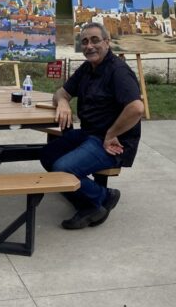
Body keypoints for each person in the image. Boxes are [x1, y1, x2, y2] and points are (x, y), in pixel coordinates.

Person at [40, 23, 144, 230]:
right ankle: (93, 196)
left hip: (113, 142)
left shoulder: (118, 71)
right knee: (47, 155)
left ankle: (100, 199)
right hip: (89, 133)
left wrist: (112, 133)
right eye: (85, 41)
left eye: (95, 40)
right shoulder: (87, 68)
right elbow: (61, 93)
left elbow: (136, 108)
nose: (89, 46)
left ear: (107, 42)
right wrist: (62, 103)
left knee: (63, 168)